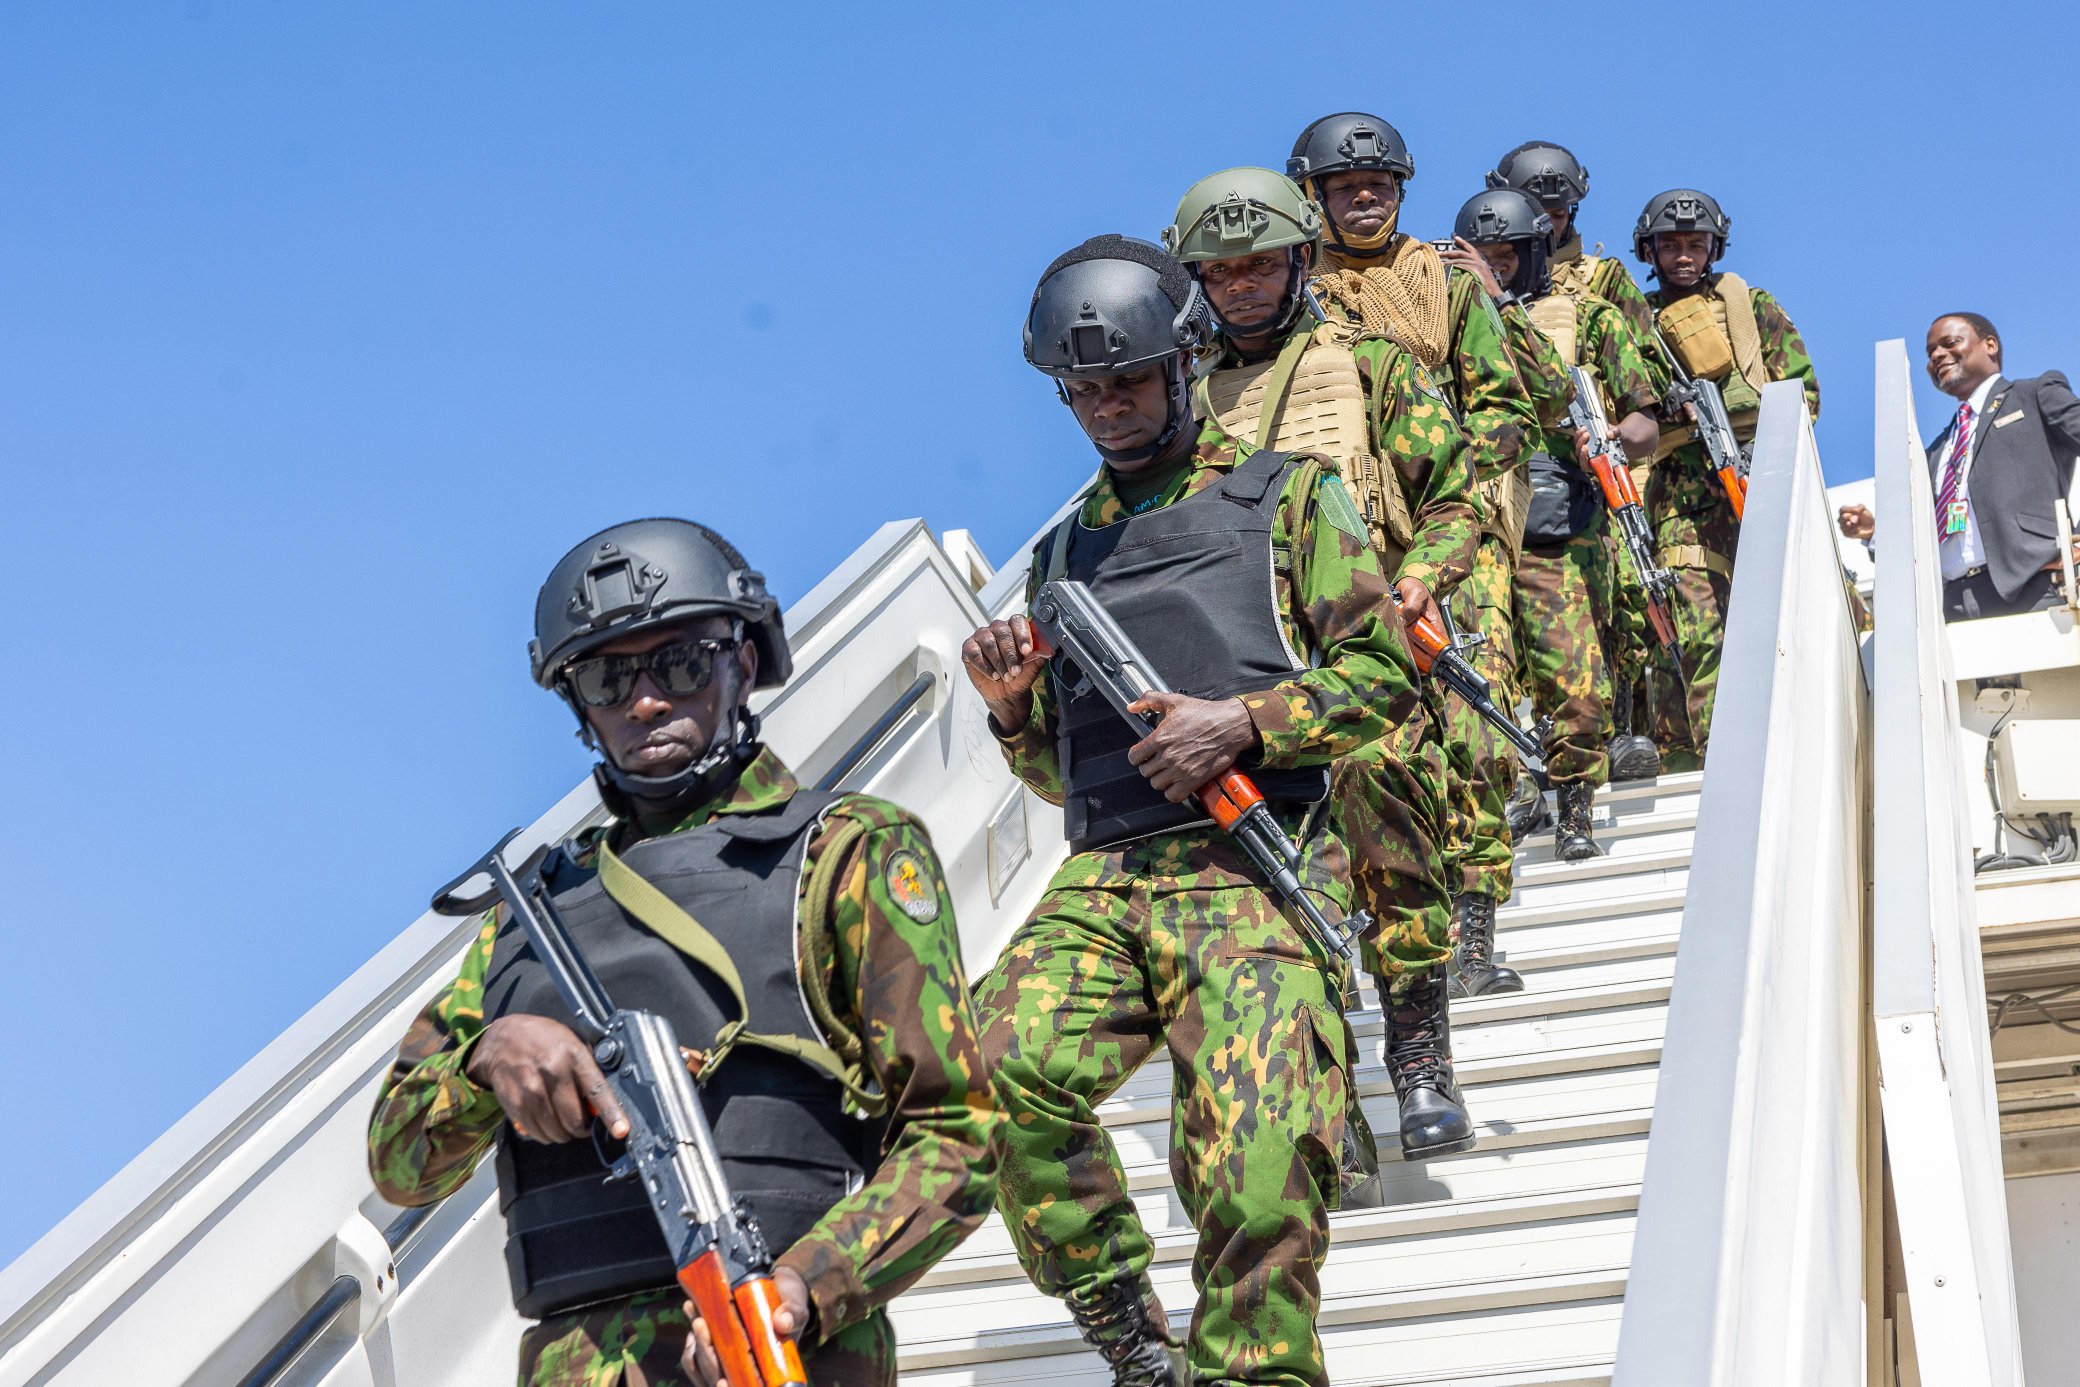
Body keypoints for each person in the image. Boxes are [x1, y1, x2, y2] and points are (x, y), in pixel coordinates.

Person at [366, 519, 1000, 1387]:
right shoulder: (531, 913)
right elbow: (397, 1164)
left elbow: (960, 1131)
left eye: (681, 662)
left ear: (743, 661)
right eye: (606, 675)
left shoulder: (843, 850)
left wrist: (803, 1288)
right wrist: (485, 1060)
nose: (645, 699)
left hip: (780, 1350)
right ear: (579, 708)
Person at [966, 234, 1430, 1386]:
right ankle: (1123, 1323)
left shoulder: (1286, 499)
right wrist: (1016, 712)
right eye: (1083, 390)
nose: (1107, 408)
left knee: (1257, 1164)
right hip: (1110, 879)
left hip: (1257, 868)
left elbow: (1386, 678)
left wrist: (1246, 724)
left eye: (1127, 380)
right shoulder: (1068, 548)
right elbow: (1061, 778)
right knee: (989, 1067)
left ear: (1182, 366)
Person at [1159, 169, 1482, 1107]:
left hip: (1363, 649)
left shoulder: (1371, 361)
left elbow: (1454, 496)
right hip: (1241, 670)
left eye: (1261, 265)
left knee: (1398, 843)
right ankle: (1319, 1085)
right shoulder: (1176, 395)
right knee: (1276, 877)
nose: (1243, 286)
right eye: (1221, 274)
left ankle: (1421, 1057)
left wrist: (1419, 579)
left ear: (1301, 258)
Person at [1287, 111, 1543, 982]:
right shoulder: (1293, 291)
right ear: (1314, 197)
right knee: (1363, 743)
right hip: (1339, 551)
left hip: (1449, 531)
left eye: (1380, 185)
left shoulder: (1449, 285)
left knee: (1474, 721)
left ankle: (1473, 925)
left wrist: (1452, 476)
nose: (1365, 198)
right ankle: (1388, 926)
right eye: (1345, 187)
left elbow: (1507, 405)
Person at [1449, 189, 1669, 873]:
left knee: (1576, 679)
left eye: (1508, 255)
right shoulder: (1441, 326)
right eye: (1484, 257)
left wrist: (1605, 445)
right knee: (1480, 682)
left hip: (1560, 519)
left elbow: (1646, 418)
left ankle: (1576, 802)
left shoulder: (1589, 317)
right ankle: (1514, 794)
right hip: (1478, 523)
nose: (1497, 267)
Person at [1635, 188, 1819, 767]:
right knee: (1695, 624)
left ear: (1716, 246)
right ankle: (1721, 755)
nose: (1684, 255)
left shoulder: (1749, 305)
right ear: (1650, 250)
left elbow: (1802, 394)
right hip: (1679, 501)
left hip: (1758, 482)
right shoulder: (1630, 320)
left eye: (1696, 242)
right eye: (1671, 244)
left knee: (1793, 610)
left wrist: (1756, 447)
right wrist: (1664, 409)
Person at [1838, 313, 2080, 620]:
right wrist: (1874, 532)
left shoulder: (2034, 395)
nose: (1937, 355)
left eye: (1949, 343)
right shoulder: (1937, 450)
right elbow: (1918, 536)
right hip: (1952, 604)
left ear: (1989, 345)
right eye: (1930, 353)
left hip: (2033, 590)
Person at [1486, 140, 1659, 351]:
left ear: (1571, 213)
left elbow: (1651, 367)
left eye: (1558, 214)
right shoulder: (1484, 272)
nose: (1547, 227)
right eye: (1537, 216)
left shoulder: (1605, 277)